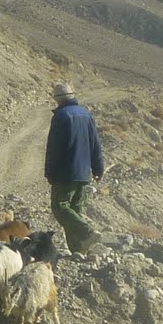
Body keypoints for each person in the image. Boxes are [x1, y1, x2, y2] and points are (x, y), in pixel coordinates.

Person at [43, 81, 106, 255]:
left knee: (60, 207)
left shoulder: (61, 116)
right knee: (76, 211)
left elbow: (54, 148)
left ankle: (87, 230)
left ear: (57, 99)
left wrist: (49, 172)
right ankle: (79, 250)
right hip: (84, 174)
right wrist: (98, 168)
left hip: (66, 173)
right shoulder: (86, 115)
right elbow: (95, 145)